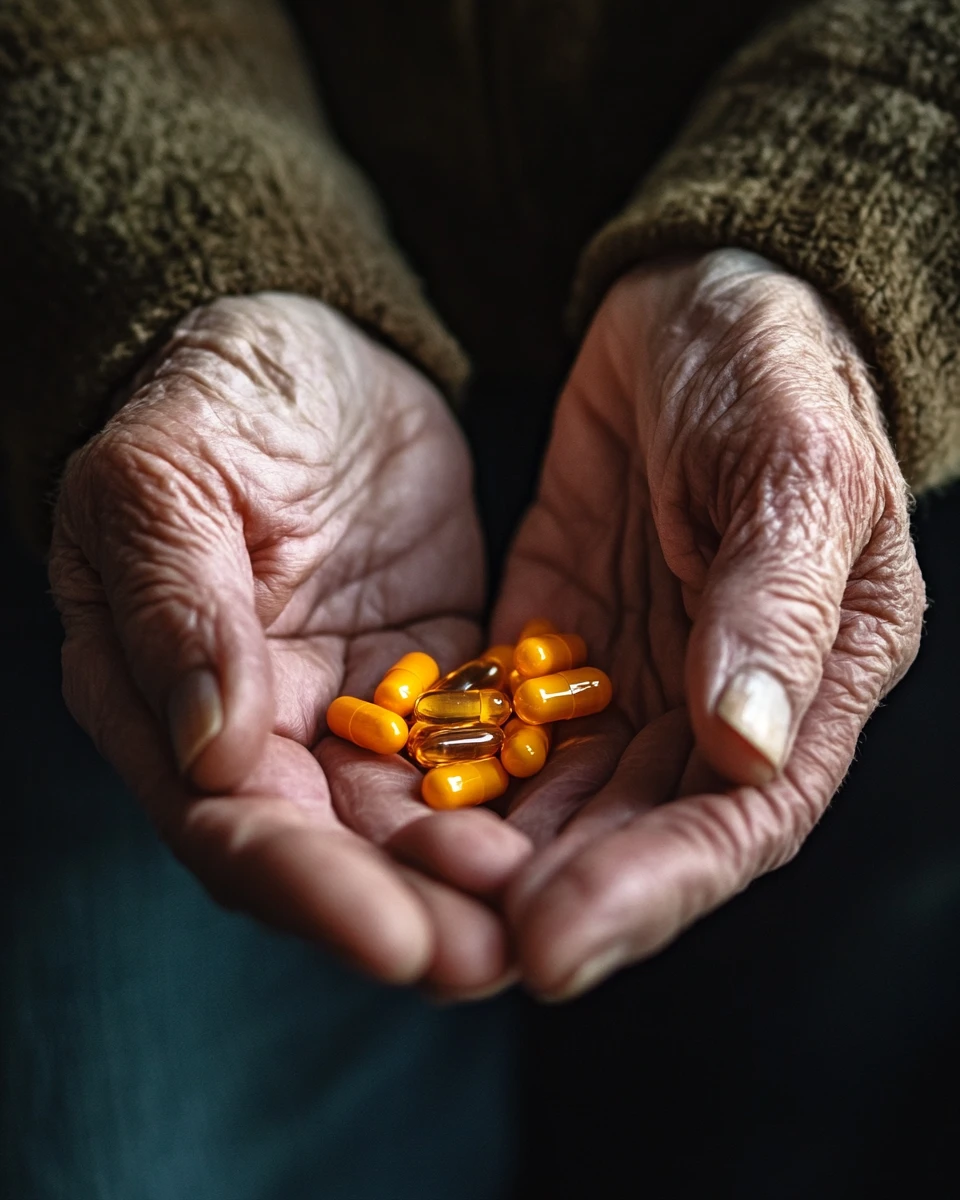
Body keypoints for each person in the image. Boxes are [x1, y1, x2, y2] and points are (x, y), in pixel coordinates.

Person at [1, 0, 957, 1195]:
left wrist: (862, 206)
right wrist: (186, 236)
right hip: (212, 478)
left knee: (805, 1120)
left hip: (822, 467)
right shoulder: (470, 708)